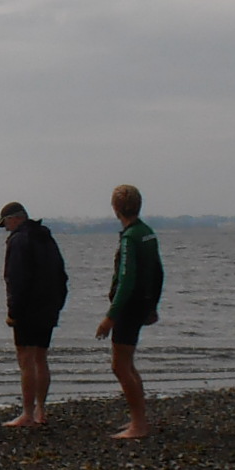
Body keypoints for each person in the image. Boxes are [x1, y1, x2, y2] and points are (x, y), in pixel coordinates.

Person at [94, 183, 164, 441]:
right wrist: (153, 305)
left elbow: (126, 279)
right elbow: (158, 272)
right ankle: (139, 417)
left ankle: (138, 424)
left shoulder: (130, 238)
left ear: (116, 208)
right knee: (128, 363)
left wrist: (110, 317)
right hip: (142, 303)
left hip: (129, 306)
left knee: (120, 366)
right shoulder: (147, 233)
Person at [0, 203, 67, 428]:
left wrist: (13, 312)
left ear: (14, 219)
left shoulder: (19, 240)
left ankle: (27, 413)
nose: (6, 228)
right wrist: (58, 304)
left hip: (27, 308)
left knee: (26, 359)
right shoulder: (46, 237)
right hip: (49, 306)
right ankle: (40, 410)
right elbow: (61, 275)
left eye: (5, 223)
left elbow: (16, 279)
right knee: (41, 357)